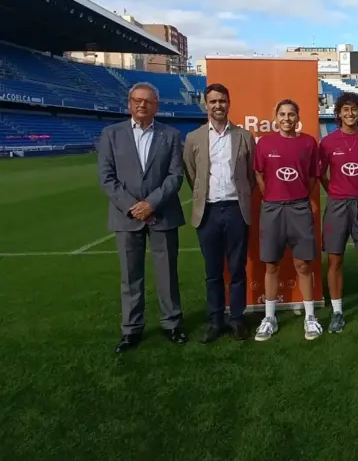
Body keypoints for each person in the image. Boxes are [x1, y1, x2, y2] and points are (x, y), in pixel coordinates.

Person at [97, 82, 187, 353]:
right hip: (126, 217)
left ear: (155, 105)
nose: (141, 105)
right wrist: (131, 205)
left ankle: (172, 324)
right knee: (130, 276)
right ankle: (131, 329)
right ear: (129, 103)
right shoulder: (111, 134)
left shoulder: (170, 135)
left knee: (167, 274)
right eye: (136, 100)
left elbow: (175, 176)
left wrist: (151, 203)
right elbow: (106, 177)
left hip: (162, 214)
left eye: (147, 101)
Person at [182, 83, 257, 343]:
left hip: (237, 210)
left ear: (229, 103)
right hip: (209, 212)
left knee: (237, 269)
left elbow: (251, 176)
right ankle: (215, 320)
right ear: (206, 104)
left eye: (222, 101)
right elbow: (192, 174)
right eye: (213, 101)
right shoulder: (194, 138)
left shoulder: (244, 136)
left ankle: (237, 319)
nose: (218, 105)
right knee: (213, 271)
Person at [252, 99, 323, 341]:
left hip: (299, 208)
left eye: (291, 114)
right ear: (276, 117)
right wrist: (270, 195)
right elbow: (259, 173)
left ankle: (310, 317)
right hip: (272, 209)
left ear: (297, 117)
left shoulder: (308, 143)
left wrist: (299, 195)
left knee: (303, 264)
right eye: (282, 114)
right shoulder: (265, 143)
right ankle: (269, 317)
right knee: (271, 264)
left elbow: (314, 176)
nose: (286, 118)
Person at [319, 92, 358, 333]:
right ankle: (337, 312)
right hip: (337, 205)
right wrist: (334, 190)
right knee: (335, 260)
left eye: (354, 109)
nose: (350, 113)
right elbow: (320, 173)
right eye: (345, 109)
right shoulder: (328, 143)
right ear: (338, 113)